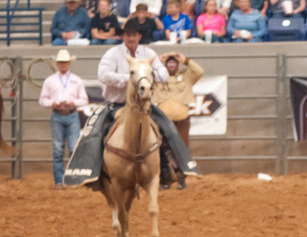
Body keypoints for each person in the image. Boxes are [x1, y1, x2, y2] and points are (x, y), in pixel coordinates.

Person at [62, 20, 199, 188]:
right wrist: (129, 80)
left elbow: (163, 76)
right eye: (128, 35)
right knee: (95, 131)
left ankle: (171, 168)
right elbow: (103, 75)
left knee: (169, 128)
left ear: (139, 36)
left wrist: (146, 77)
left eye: (134, 35)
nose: (131, 38)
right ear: (123, 36)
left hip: (144, 107)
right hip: (116, 105)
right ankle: (94, 173)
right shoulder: (113, 54)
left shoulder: (149, 54)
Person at [38, 48, 89, 188]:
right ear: (57, 63)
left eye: (65, 62)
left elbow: (84, 100)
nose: (63, 65)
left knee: (73, 149)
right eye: (61, 63)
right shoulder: (50, 81)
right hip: (58, 115)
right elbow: (42, 100)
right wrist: (52, 104)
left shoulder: (76, 80)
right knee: (58, 149)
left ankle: (72, 179)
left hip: (71, 114)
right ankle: (59, 181)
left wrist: (74, 103)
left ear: (69, 63)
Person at [153, 52, 203, 189]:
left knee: (182, 150)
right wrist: (157, 60)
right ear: (165, 65)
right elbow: (146, 73)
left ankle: (182, 180)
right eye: (169, 62)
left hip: (182, 120)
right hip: (164, 121)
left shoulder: (186, 77)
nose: (171, 64)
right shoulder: (158, 78)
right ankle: (165, 180)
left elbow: (199, 71)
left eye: (174, 62)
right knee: (162, 151)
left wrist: (185, 59)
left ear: (177, 64)